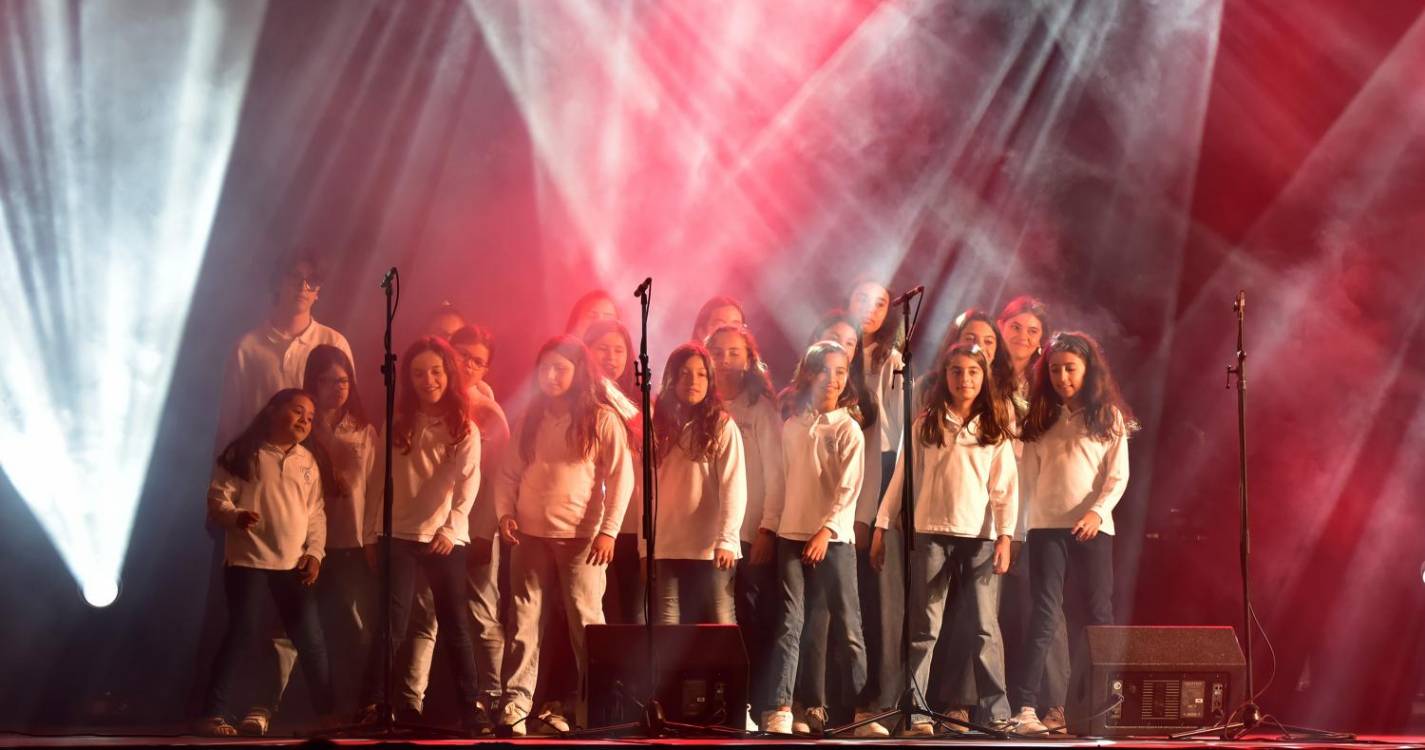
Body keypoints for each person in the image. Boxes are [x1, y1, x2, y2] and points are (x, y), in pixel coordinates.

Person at [871, 343, 1018, 734]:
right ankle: (917, 712)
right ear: (945, 375)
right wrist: (881, 525)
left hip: (979, 537)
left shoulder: (994, 427)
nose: (964, 379)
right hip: (932, 534)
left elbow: (1004, 488)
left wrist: (1005, 535)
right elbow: (902, 476)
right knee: (924, 627)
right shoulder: (926, 423)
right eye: (956, 371)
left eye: (972, 371)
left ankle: (997, 711)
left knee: (985, 627)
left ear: (984, 376)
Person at [495, 336, 634, 735]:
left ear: (578, 372)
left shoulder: (601, 418)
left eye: (560, 368)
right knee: (523, 621)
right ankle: (516, 705)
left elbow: (621, 479)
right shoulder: (530, 419)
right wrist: (505, 513)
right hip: (530, 536)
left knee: (587, 624)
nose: (551, 376)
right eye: (545, 368)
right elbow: (508, 473)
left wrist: (608, 531)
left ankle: (599, 707)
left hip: (582, 539)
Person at [356, 338, 485, 734]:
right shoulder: (395, 422)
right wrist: (370, 534)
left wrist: (450, 528)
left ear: (449, 373)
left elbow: (468, 484)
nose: (427, 380)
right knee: (391, 622)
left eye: (435, 371)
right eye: (417, 373)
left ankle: (472, 708)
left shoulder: (464, 426)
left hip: (444, 537)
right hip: (398, 533)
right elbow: (378, 479)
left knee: (455, 623)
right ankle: (375, 705)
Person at [1011, 332, 1135, 735]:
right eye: (1055, 369)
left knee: (1099, 613)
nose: (1063, 376)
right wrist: (1016, 533)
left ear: (1087, 370)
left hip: (1094, 528)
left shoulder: (1107, 416)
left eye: (1070, 368)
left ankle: (1105, 701)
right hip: (1046, 528)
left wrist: (1097, 513)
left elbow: (1118, 477)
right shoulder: (1040, 418)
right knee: (1045, 613)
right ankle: (1027, 706)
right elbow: (1025, 481)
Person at [754, 341, 878, 736]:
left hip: (835, 541)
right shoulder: (792, 426)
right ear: (809, 374)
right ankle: (782, 707)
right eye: (825, 370)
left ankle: (862, 711)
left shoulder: (848, 429)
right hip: (792, 535)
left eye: (841, 371)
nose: (834, 379)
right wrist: (770, 528)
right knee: (792, 623)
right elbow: (778, 484)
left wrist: (825, 531)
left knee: (848, 627)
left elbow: (848, 491)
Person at [196, 389, 334, 736]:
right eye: (298, 411)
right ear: (273, 411)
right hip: (249, 560)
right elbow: (217, 498)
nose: (305, 420)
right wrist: (235, 516)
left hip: (292, 563)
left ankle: (328, 715)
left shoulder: (307, 462)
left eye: (310, 417)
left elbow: (316, 512)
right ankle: (214, 713)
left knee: (310, 639)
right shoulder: (244, 453)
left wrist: (315, 553)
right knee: (242, 633)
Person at [648, 343, 746, 624]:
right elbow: (647, 491)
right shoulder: (658, 427)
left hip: (711, 546)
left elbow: (734, 486)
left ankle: (728, 671)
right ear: (672, 379)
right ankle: (671, 672)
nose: (693, 381)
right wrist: (647, 549)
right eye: (685, 374)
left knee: (721, 619)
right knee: (668, 624)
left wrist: (727, 539)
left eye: (702, 374)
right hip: (667, 544)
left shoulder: (722, 425)